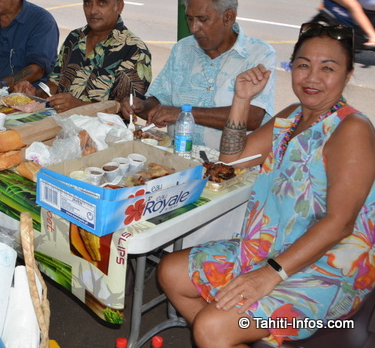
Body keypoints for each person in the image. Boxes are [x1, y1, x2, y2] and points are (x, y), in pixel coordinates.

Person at [158, 21, 375, 348]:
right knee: (171, 271)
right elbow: (232, 160)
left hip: (327, 269)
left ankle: (221, 334)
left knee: (211, 327)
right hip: (272, 247)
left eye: (328, 68)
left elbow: (340, 224)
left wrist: (270, 274)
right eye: (303, 65)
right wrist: (241, 99)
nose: (312, 77)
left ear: (347, 75)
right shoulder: (292, 116)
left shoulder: (351, 128)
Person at [121, 0, 277, 150]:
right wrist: (141, 106)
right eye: (190, 19)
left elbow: (254, 117)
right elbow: (160, 99)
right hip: (178, 157)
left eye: (203, 19)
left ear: (228, 17)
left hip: (232, 161)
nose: (194, 28)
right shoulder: (183, 49)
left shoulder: (259, 54)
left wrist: (181, 113)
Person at [14, 0, 151, 113]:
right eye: (88, 3)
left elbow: (127, 111)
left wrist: (78, 106)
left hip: (102, 127)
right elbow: (55, 83)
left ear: (119, 6)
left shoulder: (135, 51)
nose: (93, 11)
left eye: (102, 3)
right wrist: (35, 94)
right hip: (58, 121)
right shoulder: (74, 38)